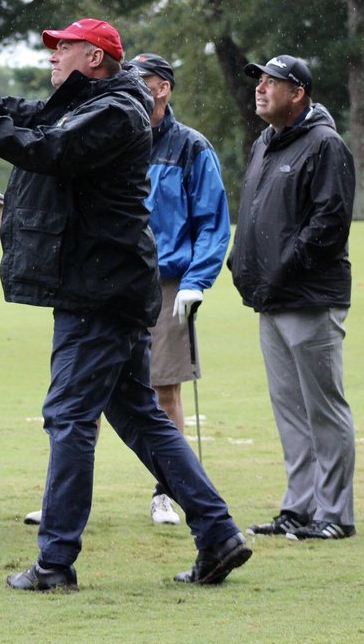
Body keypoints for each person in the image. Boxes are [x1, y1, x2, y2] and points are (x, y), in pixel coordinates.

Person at [0, 18, 250, 591]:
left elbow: (46, 149)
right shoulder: (98, 101)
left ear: (96, 58)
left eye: (64, 47)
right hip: (106, 286)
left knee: (70, 418)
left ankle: (55, 563)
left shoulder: (115, 111)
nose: (53, 55)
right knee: (141, 417)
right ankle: (219, 534)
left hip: (99, 292)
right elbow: (32, 116)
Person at [228, 54, 357, 541]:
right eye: (258, 82)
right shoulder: (265, 142)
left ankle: (335, 514)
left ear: (297, 92)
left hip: (309, 297)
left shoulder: (325, 144)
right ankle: (299, 508)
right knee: (289, 409)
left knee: (322, 408)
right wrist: (241, 263)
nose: (259, 89)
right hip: (273, 298)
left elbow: (329, 223)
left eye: (270, 82)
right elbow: (258, 213)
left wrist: (282, 269)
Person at [128, 53, 231, 526]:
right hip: (115, 277)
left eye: (140, 81)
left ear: (162, 88)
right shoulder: (116, 136)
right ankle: (68, 496)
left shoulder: (190, 147)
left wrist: (196, 282)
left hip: (167, 280)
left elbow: (212, 221)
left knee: (163, 387)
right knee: (84, 386)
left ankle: (166, 490)